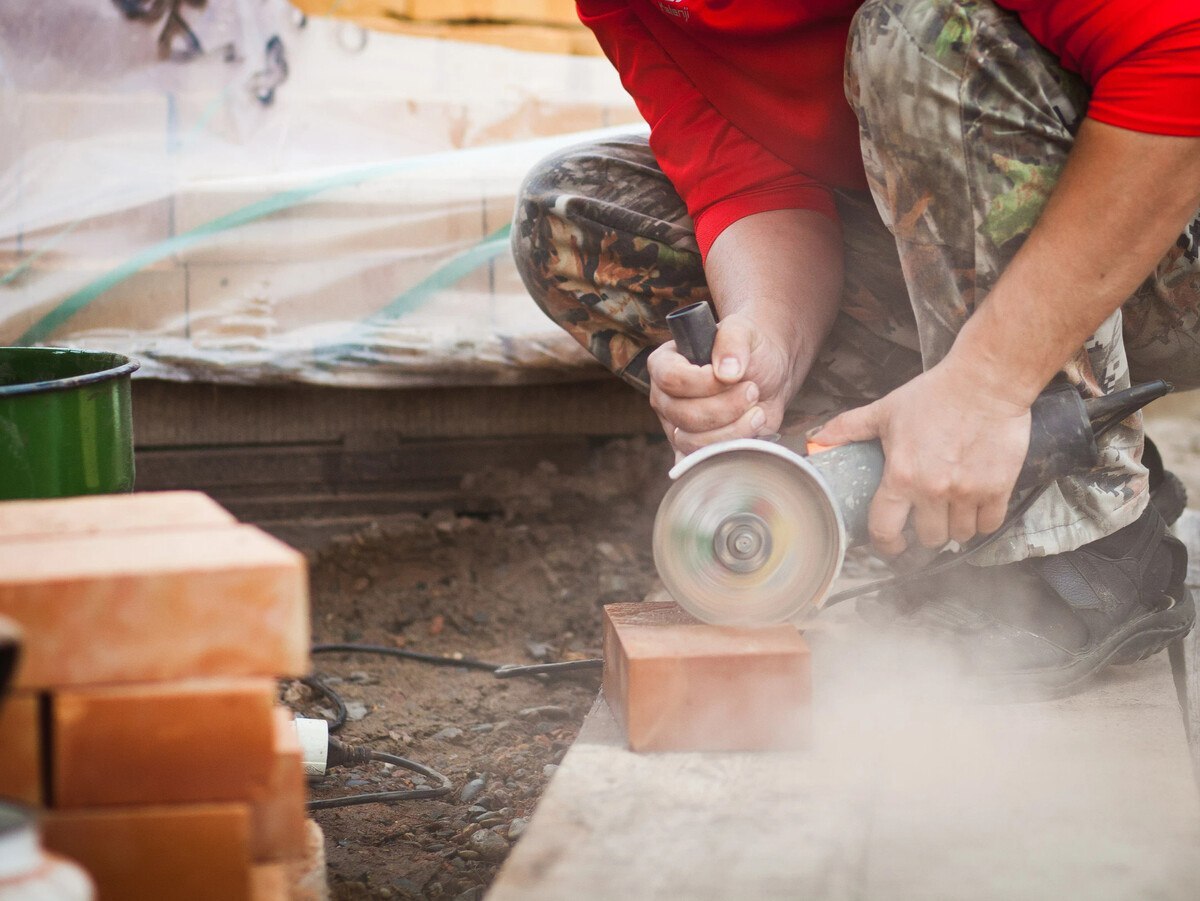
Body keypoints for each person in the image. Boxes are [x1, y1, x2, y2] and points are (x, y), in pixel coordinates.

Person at [511, 0, 1200, 696]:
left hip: (1170, 208)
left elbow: (1181, 57)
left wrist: (988, 381)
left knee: (919, 34)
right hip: (1052, 252)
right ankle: (1040, 445)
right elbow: (756, 184)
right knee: (574, 215)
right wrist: (765, 343)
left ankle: (1084, 541)